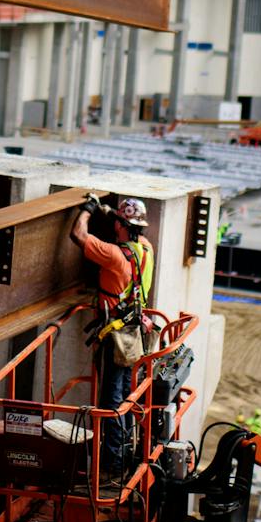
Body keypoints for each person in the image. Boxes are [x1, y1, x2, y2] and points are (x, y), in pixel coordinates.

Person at [69, 195, 153, 479]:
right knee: (125, 397)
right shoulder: (146, 250)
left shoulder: (115, 257)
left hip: (116, 336)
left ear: (119, 225)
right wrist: (110, 212)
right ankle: (124, 454)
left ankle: (113, 464)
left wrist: (88, 210)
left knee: (111, 402)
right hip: (134, 335)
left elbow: (77, 234)